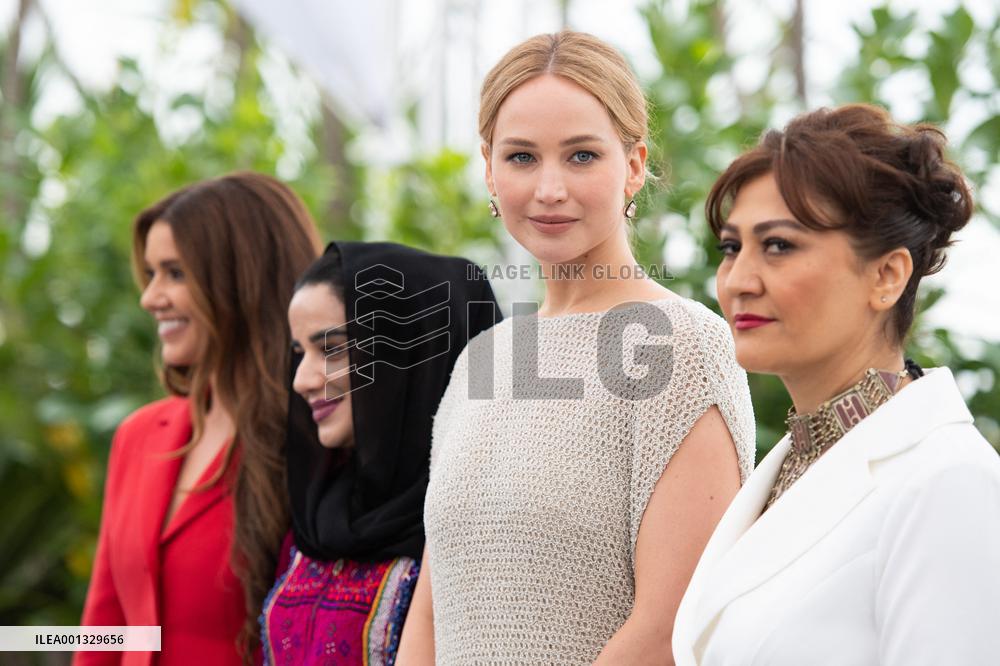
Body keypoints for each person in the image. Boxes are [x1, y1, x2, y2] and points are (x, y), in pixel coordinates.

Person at [397, 31, 756, 665]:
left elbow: (670, 627)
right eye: (522, 157)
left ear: (635, 165)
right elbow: (433, 609)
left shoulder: (683, 345)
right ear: (488, 168)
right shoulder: (482, 360)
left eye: (582, 156)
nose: (550, 189)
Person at [671, 104, 1000, 665]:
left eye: (778, 245)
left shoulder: (948, 482)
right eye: (732, 247)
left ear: (886, 275)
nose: (737, 281)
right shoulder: (789, 466)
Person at [77, 172, 322, 666]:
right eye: (151, 274)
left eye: (175, 273)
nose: (150, 298)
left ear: (242, 280)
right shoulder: (139, 435)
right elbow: (104, 631)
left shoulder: (316, 441)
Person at [259, 242, 499, 665]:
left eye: (330, 349)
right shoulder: (316, 517)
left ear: (412, 352)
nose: (301, 380)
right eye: (299, 353)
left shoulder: (483, 527)